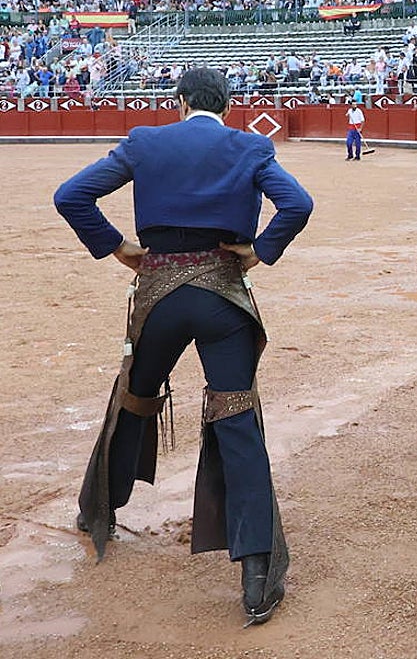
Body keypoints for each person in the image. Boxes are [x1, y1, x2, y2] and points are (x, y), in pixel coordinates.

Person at [54, 67, 313, 626]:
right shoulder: (249, 146)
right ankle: (256, 576)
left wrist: (117, 246)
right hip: (223, 296)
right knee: (236, 415)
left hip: (160, 296)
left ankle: (97, 506)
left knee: (136, 395)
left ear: (179, 103)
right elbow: (298, 205)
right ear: (227, 105)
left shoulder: (147, 140)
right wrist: (260, 251)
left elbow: (70, 196)